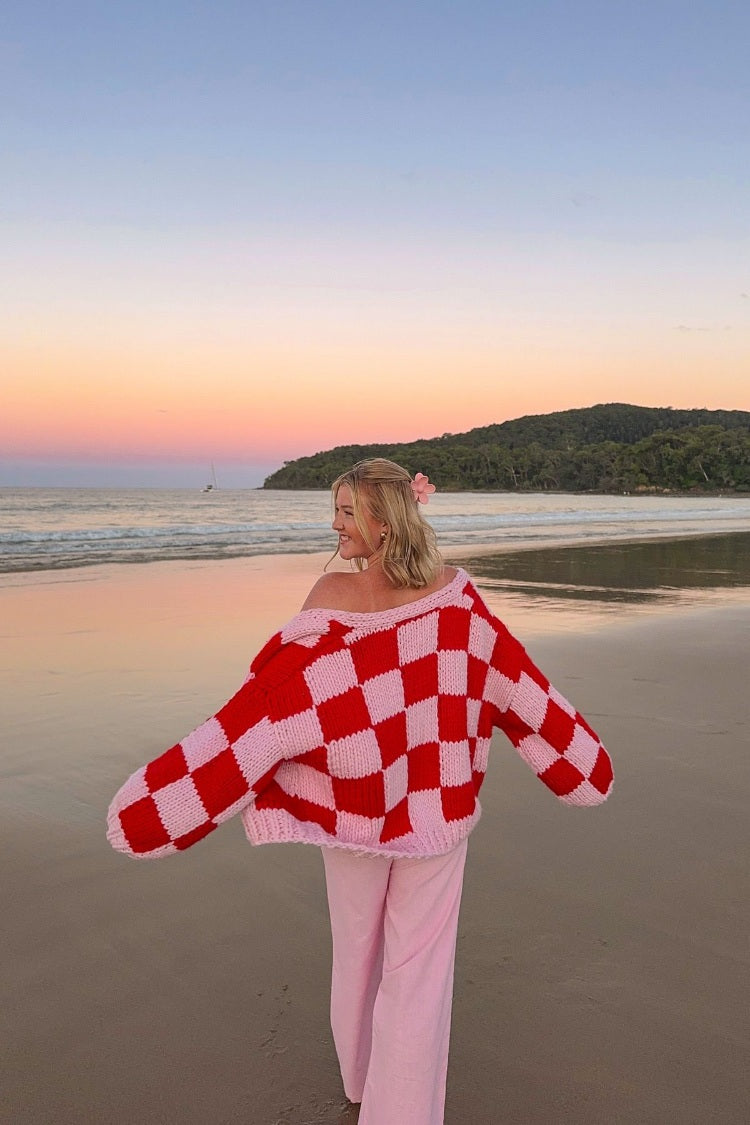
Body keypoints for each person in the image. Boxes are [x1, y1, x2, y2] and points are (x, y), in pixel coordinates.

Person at [107, 458, 613, 1125]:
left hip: (351, 816)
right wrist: (581, 764)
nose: (336, 523)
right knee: (416, 970)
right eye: (335, 510)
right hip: (437, 813)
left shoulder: (331, 602)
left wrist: (157, 806)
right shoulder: (460, 600)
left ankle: (360, 1079)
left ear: (384, 518)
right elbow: (520, 687)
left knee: (358, 949)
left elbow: (259, 718)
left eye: (348, 511)